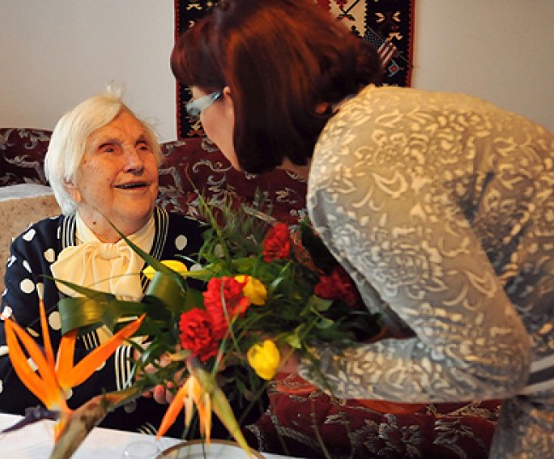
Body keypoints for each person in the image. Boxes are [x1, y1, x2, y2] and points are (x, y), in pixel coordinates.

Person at [170, 0, 554, 456]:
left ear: (234, 97)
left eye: (198, 102)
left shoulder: (349, 173)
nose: (199, 122)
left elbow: (487, 363)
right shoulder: (375, 117)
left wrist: (302, 360)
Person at [0, 88, 205, 433]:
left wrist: (199, 376)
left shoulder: (199, 245)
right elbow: (5, 381)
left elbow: (248, 391)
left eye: (143, 146)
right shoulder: (37, 247)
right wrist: (134, 366)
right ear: (72, 182)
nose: (136, 162)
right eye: (109, 149)